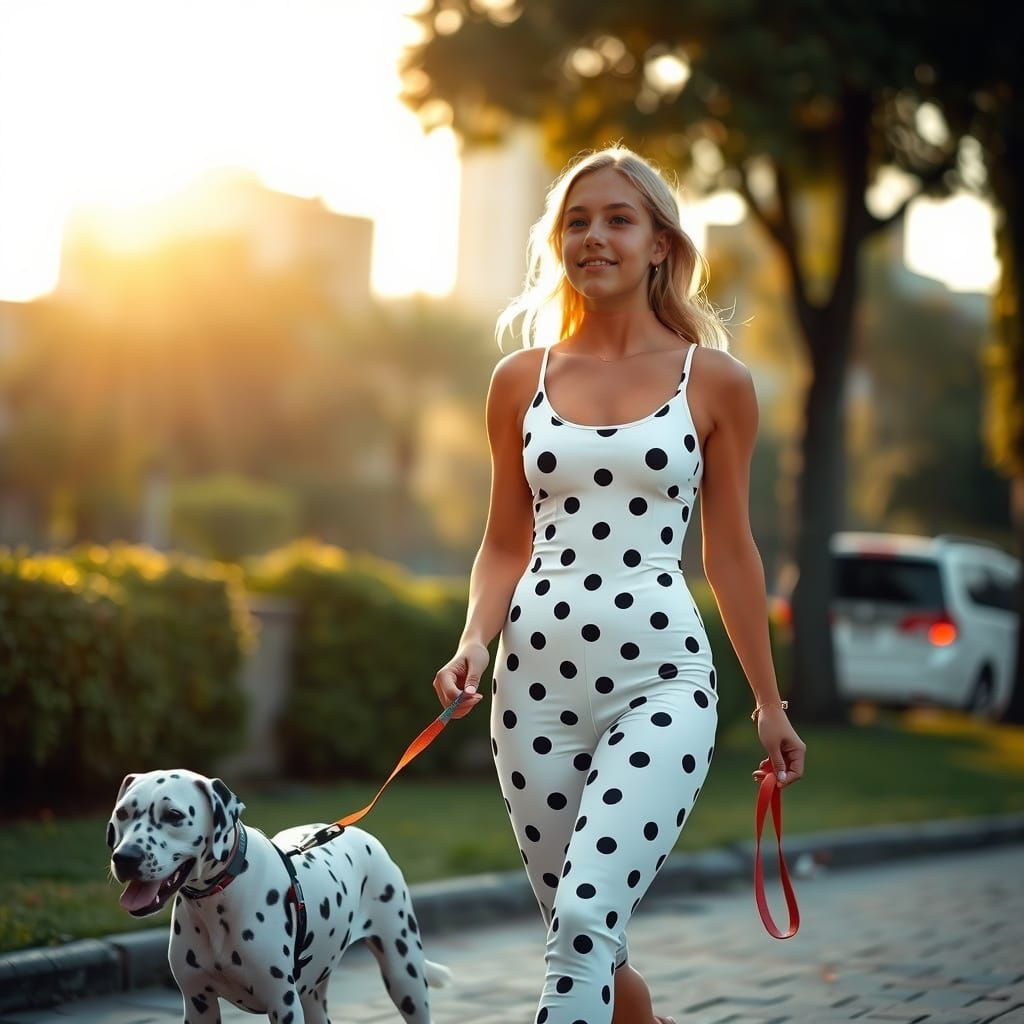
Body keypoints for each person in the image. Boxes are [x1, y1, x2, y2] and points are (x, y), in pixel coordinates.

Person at [432, 145, 806, 1024]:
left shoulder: (715, 381)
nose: (593, 236)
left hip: (663, 685)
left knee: (586, 919)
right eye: (576, 220)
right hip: (529, 694)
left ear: (661, 245)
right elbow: (501, 543)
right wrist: (471, 641)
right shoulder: (518, 380)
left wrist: (769, 702)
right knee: (585, 933)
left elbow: (733, 555)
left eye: (617, 218)